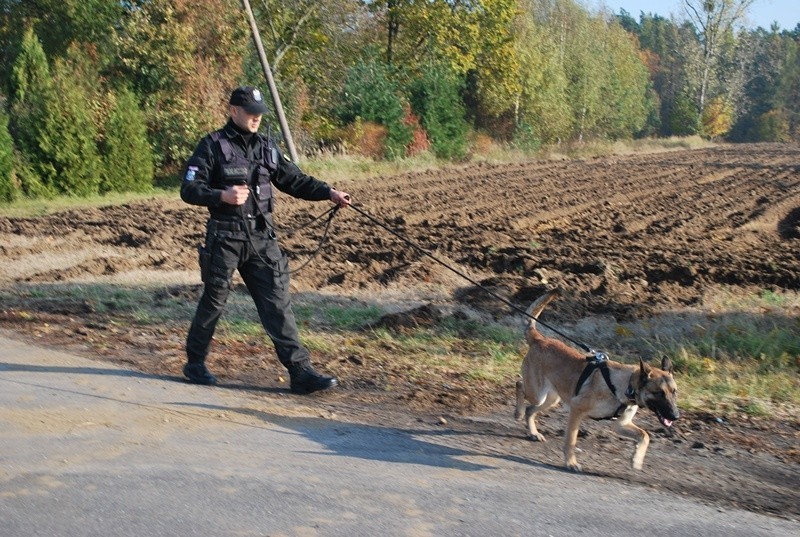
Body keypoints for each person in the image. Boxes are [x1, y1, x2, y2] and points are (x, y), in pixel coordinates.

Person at [180, 85, 351, 394]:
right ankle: (195, 363)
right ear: (233, 111)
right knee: (214, 301)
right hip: (226, 238)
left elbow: (294, 180)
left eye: (260, 113)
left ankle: (300, 373)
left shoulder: (267, 147)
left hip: (261, 238)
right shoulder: (212, 146)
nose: (256, 118)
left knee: (277, 303)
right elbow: (189, 189)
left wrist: (329, 192)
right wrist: (222, 195)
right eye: (250, 112)